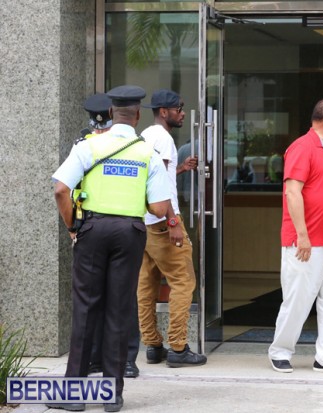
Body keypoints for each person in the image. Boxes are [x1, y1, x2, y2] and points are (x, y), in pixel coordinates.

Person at [49, 85, 171, 412]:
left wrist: (72, 226)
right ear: (138, 115)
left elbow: (61, 189)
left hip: (92, 230)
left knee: (86, 308)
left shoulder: (88, 146)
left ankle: (73, 395)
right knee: (119, 309)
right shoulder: (147, 153)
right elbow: (160, 208)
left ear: (111, 113)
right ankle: (112, 395)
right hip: (130, 233)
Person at [268, 99, 323, 375]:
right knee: (298, 298)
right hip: (307, 240)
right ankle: (280, 351)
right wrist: (302, 236)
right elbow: (292, 192)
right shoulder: (302, 147)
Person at [137, 89, 206, 368]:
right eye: (178, 109)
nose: (183, 113)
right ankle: (178, 347)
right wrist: (173, 221)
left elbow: (152, 177)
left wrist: (180, 169)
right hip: (163, 223)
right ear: (164, 112)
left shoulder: (145, 136)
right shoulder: (164, 139)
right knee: (183, 282)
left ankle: (153, 345)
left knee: (146, 285)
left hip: (144, 222)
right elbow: (160, 183)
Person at [77, 93, 142, 379]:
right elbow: (72, 188)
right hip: (92, 225)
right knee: (96, 299)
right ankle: (95, 359)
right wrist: (74, 225)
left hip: (117, 226)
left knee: (122, 299)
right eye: (97, 126)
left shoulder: (132, 146)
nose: (100, 130)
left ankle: (126, 358)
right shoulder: (84, 145)